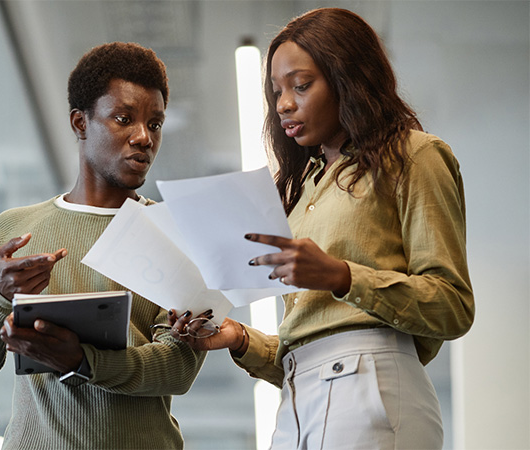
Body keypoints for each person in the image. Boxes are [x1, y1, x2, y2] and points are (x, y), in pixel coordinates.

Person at [168, 8, 474, 449]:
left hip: (373, 388)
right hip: (296, 397)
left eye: (301, 85)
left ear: (349, 78)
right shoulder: (303, 189)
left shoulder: (414, 156)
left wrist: (341, 276)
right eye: (276, 91)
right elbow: (310, 342)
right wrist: (239, 340)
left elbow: (453, 306)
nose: (284, 104)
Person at [0, 42, 205, 449]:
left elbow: (178, 368)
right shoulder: (15, 230)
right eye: (124, 119)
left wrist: (82, 362)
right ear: (80, 123)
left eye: (155, 124)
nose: (143, 137)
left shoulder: (177, 232)